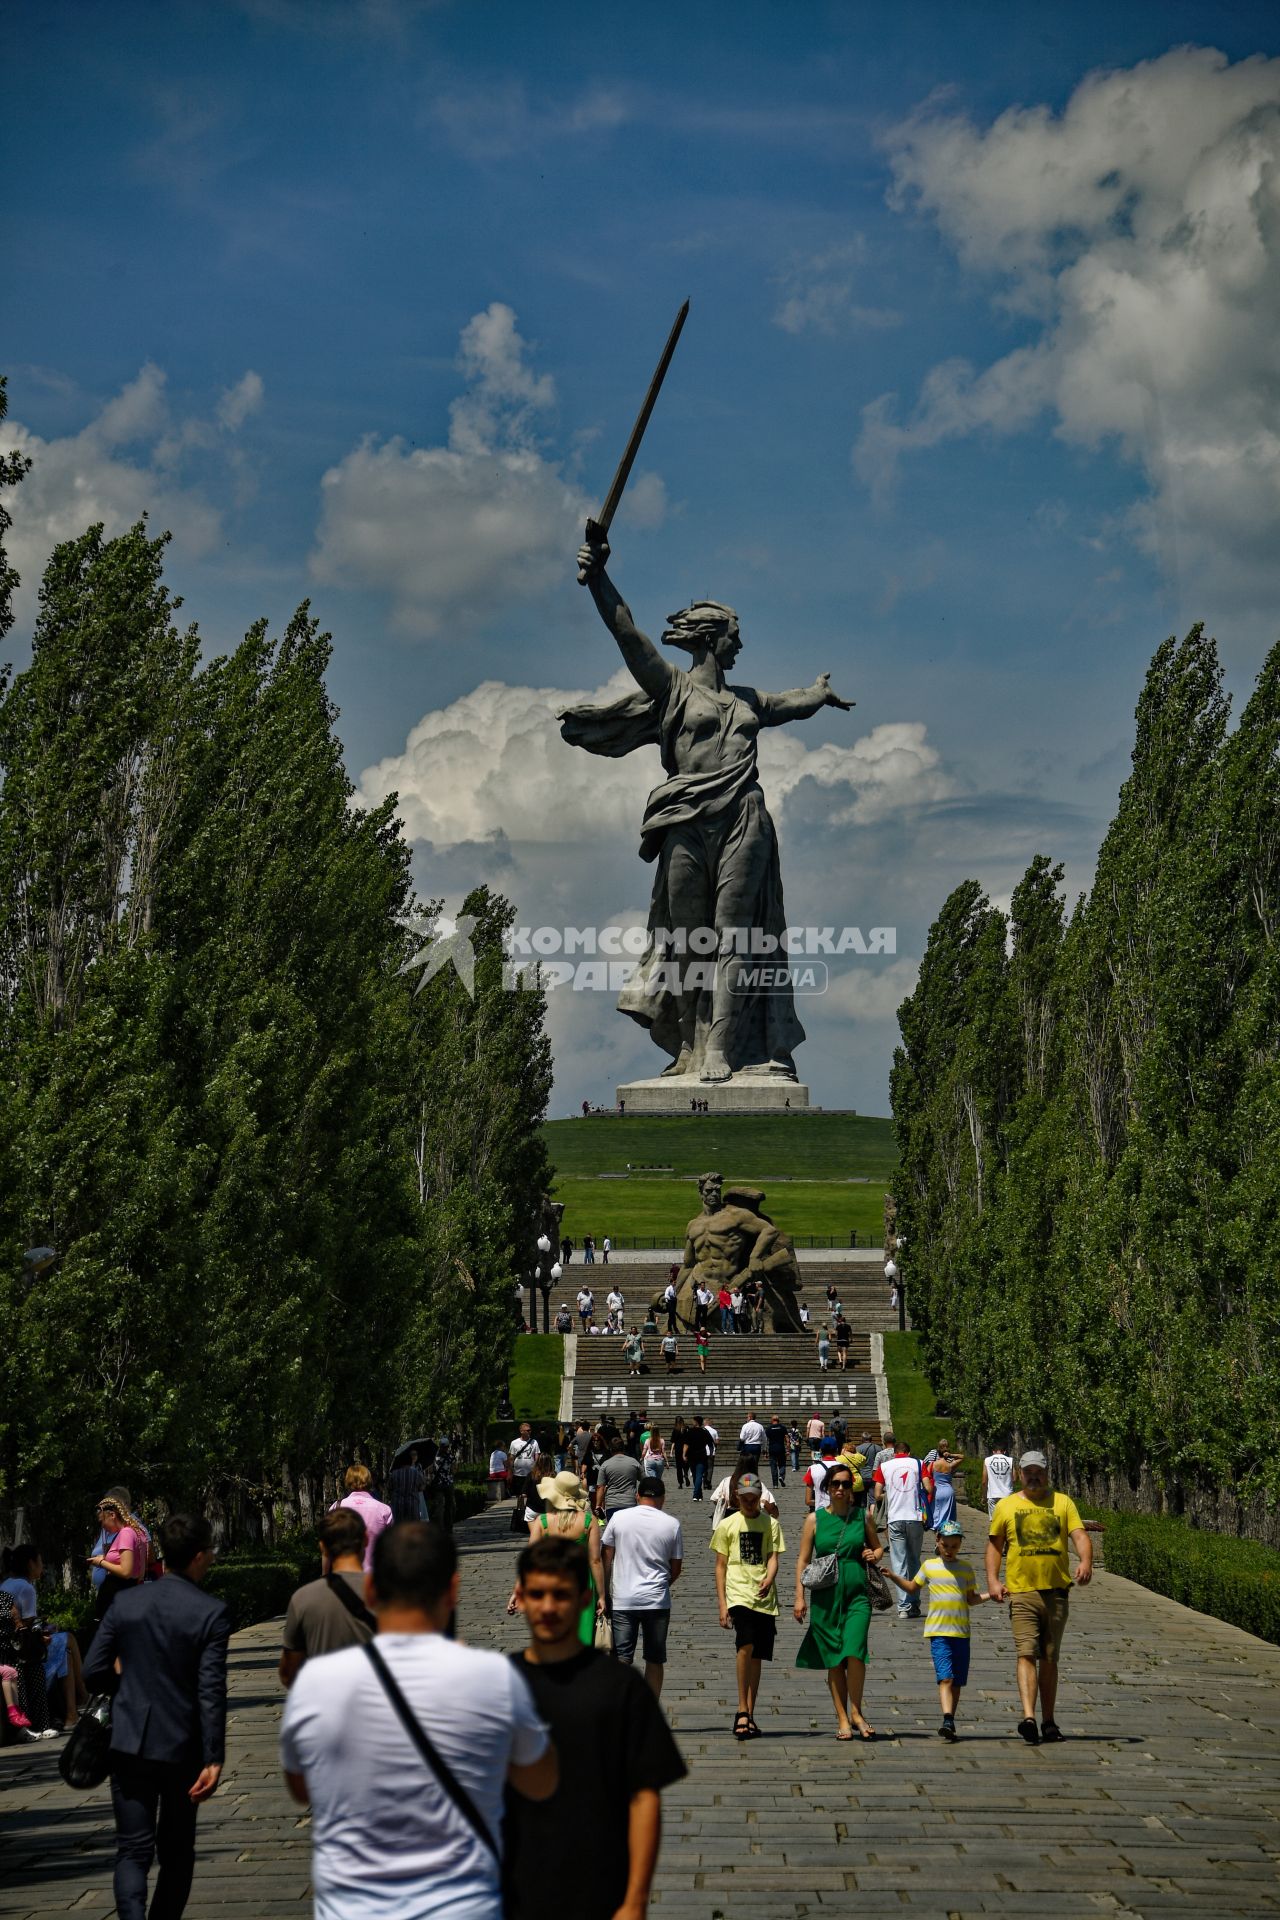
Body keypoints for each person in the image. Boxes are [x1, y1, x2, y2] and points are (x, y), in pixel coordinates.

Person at [281, 1524, 556, 1919]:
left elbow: (303, 1785)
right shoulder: (493, 1677)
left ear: (372, 1590)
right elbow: (540, 1780)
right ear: (453, 1590)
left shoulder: (315, 1683)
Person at [505, 1536, 686, 1920]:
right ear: (521, 1596)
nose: (549, 1607)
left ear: (585, 1598)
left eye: (562, 1595)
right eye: (537, 1594)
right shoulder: (498, 1686)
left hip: (600, 1886)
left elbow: (644, 1798)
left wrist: (635, 1901)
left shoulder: (622, 1688)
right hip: (512, 1889)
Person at [84, 1513, 230, 1920]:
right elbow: (211, 1689)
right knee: (177, 1852)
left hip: (128, 1740)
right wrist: (214, 1756)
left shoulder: (127, 1602)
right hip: (182, 1746)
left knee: (132, 1849)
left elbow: (93, 1670)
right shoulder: (211, 1611)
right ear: (200, 1556)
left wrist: (128, 1690)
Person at [986, 1450, 1093, 1745]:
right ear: (1019, 1473)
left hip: (1056, 1593)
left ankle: (1049, 1721)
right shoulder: (1006, 1506)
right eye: (1028, 1471)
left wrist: (1085, 1561)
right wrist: (994, 1580)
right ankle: (1029, 1717)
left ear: (1047, 1474)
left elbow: (1080, 1535)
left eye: (1039, 1471)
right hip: (1022, 1592)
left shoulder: (1062, 1502)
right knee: (1025, 1652)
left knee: (1049, 1657)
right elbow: (995, 1546)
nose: (1034, 1476)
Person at [793, 1462, 884, 1740]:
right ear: (828, 1489)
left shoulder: (862, 1517)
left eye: (846, 1484)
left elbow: (878, 1546)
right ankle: (842, 1718)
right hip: (825, 1596)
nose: (841, 1488)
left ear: (852, 1489)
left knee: (855, 1652)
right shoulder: (815, 1520)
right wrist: (799, 1596)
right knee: (834, 1657)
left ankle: (856, 1712)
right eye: (836, 1484)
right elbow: (803, 1560)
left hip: (858, 1594)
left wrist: (875, 1555)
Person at [882, 1518, 987, 1741]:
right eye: (946, 1545)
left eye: (954, 1546)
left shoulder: (966, 1569)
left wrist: (992, 1595)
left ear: (960, 1545)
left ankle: (950, 1720)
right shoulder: (929, 1566)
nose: (949, 1550)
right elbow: (912, 1587)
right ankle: (947, 1717)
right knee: (946, 1678)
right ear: (938, 1541)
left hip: (961, 1633)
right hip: (939, 1632)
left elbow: (971, 1598)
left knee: (957, 1681)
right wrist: (893, 1577)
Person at [711, 1474, 785, 1740]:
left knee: (757, 1654)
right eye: (746, 1499)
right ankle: (742, 1709)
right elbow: (720, 1566)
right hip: (738, 1592)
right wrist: (722, 1605)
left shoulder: (771, 1524)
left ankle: (749, 1714)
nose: (751, 1503)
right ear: (737, 1498)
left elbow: (773, 1557)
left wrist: (770, 1577)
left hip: (764, 1595)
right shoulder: (728, 1524)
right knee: (745, 1644)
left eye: (754, 1499)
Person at [602, 1479, 684, 1700]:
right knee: (655, 1659)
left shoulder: (618, 1518)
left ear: (637, 1496)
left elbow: (606, 1555)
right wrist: (661, 1586)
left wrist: (605, 1592)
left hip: (623, 1599)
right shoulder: (672, 1524)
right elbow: (676, 1568)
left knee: (622, 1659)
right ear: (663, 1499)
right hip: (657, 1600)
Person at [279, 1510, 376, 1690]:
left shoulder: (303, 1598)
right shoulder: (391, 1595)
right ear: (366, 1540)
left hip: (324, 1704)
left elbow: (288, 1674)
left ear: (322, 1547)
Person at [506, 1471, 605, 1646]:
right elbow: (595, 1560)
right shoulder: (589, 1521)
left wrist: (517, 1590)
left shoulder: (543, 1521)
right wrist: (602, 1595)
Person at [872, 1442, 933, 1619]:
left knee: (899, 1562)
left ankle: (903, 1607)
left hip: (895, 1518)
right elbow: (928, 1487)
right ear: (908, 1452)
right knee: (914, 1560)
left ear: (895, 1453)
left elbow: (877, 1494)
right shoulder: (919, 1463)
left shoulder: (884, 1466)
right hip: (914, 1517)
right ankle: (914, 1604)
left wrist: (890, 1493)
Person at [88, 1491, 147, 1627]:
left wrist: (101, 1562)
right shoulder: (138, 1532)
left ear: (112, 1515)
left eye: (102, 1521)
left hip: (116, 1597)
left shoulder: (126, 1533)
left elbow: (126, 1571)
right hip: (129, 1596)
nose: (102, 1526)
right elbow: (140, 1573)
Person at [334, 1466, 394, 1574]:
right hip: (375, 1577)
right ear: (369, 1481)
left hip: (344, 1577)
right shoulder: (384, 1510)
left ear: (347, 1481)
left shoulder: (337, 1507)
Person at [710, 1454, 779, 1528]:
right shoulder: (757, 1484)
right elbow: (770, 1506)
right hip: (751, 1523)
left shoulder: (726, 1481)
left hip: (729, 1522)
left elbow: (715, 1499)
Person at [596, 1436, 644, 1521]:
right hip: (630, 1503)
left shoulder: (605, 1465)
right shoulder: (634, 1462)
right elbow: (644, 1481)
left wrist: (598, 1505)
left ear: (610, 1449)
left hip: (612, 1504)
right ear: (623, 1448)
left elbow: (600, 1487)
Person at [508, 1423, 541, 1532]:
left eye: (530, 1430)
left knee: (531, 1495)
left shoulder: (534, 1442)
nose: (529, 1432)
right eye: (527, 1430)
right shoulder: (514, 1443)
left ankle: (529, 1517)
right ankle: (520, 1517)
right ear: (521, 1431)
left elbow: (537, 1457)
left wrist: (537, 1470)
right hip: (518, 1473)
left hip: (531, 1474)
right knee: (520, 1496)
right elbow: (511, 1458)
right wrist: (510, 1472)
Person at [925, 1447, 964, 1533]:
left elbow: (925, 1476)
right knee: (948, 1515)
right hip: (949, 1491)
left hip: (937, 1491)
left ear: (938, 1454)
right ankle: (946, 1533)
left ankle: (938, 1534)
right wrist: (951, 1455)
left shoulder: (933, 1464)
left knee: (937, 1514)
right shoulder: (950, 1465)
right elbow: (961, 1457)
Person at [388, 1449, 429, 1525]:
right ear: (410, 1462)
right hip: (412, 1506)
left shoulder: (394, 1474)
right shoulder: (416, 1473)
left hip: (397, 1507)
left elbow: (390, 1488)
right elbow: (422, 1487)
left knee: (399, 1528)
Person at [804, 1436, 840, 1514]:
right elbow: (850, 1498)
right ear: (836, 1450)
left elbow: (807, 1501)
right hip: (840, 1513)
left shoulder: (812, 1469)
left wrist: (820, 1502)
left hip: (821, 1513)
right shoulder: (845, 1468)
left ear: (820, 1450)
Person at [979, 1443, 1015, 1516]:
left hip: (993, 1495)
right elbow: (1014, 1478)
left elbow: (984, 1481)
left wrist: (984, 1496)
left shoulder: (987, 1460)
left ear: (993, 1451)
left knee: (994, 1522)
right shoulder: (1010, 1460)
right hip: (1007, 1495)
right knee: (1007, 1520)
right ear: (1004, 1452)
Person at [684, 1415, 713, 1502]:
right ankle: (699, 1495)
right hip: (701, 1455)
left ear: (696, 1422)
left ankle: (695, 1494)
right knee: (699, 1476)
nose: (692, 1422)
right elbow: (711, 1444)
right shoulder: (705, 1431)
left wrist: (684, 1454)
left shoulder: (690, 1431)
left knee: (696, 1475)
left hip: (691, 1456)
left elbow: (686, 1444)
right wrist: (711, 1454)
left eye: (693, 1421)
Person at [766, 1416, 789, 1490]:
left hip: (772, 1449)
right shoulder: (783, 1427)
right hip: (781, 1449)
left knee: (773, 1467)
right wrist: (788, 1449)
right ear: (778, 1420)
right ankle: (781, 1476)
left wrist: (765, 1451)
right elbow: (787, 1440)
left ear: (772, 1420)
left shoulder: (769, 1428)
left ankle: (775, 1484)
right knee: (782, 1464)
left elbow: (766, 1441)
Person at [670, 1417, 689, 1489]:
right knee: (686, 1464)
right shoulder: (686, 1428)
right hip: (686, 1448)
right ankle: (686, 1474)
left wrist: (671, 1451)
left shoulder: (675, 1429)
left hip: (678, 1449)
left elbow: (673, 1441)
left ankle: (680, 1483)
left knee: (679, 1467)